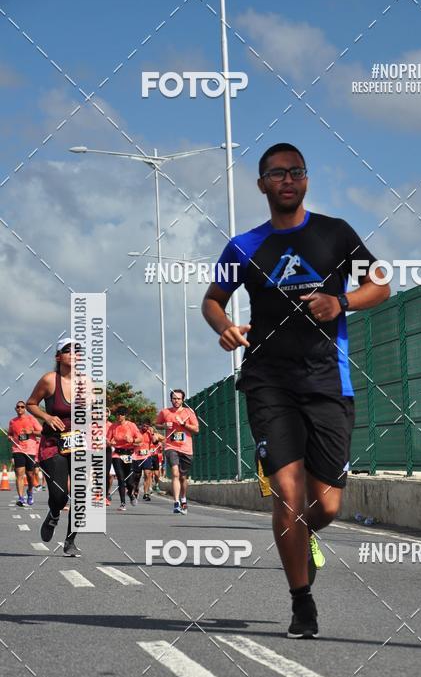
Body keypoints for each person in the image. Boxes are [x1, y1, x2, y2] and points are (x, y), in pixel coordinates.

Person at [202, 143, 389, 638]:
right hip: (268, 382)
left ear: (306, 180)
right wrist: (223, 326)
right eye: (277, 173)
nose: (288, 179)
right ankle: (301, 604)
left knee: (324, 506)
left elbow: (382, 285)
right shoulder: (242, 246)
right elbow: (213, 299)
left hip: (328, 379)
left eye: (297, 171)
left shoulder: (335, 233)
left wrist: (341, 301)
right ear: (262, 183)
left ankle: (303, 538)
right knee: (288, 494)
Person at [26, 338, 83, 556]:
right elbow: (31, 403)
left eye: (77, 350)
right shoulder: (50, 380)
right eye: (68, 350)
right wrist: (47, 417)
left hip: (79, 444)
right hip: (53, 444)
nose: (74, 353)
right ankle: (53, 513)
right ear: (58, 356)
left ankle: (70, 541)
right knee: (60, 496)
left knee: (80, 494)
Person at [156, 389, 199, 514]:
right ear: (171, 399)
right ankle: (176, 503)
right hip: (171, 446)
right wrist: (164, 426)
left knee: (183, 477)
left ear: (183, 400)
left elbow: (196, 429)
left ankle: (183, 498)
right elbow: (157, 424)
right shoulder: (165, 412)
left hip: (186, 448)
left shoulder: (188, 412)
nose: (176, 401)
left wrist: (184, 424)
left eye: (179, 398)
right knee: (175, 473)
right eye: (174, 398)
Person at [107, 408, 142, 512]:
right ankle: (123, 503)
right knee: (121, 479)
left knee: (130, 482)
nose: (119, 416)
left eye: (121, 414)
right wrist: (110, 443)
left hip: (129, 454)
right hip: (117, 454)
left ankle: (131, 494)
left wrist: (132, 440)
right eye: (117, 414)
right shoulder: (113, 426)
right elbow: (108, 440)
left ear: (125, 415)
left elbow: (140, 438)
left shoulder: (131, 425)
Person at [8, 401, 42, 506]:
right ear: (15, 409)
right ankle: (21, 498)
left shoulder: (31, 419)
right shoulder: (12, 422)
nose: (20, 408)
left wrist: (31, 432)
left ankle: (30, 491)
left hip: (30, 450)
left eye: (22, 407)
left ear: (25, 409)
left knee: (30, 475)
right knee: (19, 473)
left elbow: (41, 432)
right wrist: (9, 437)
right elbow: (10, 434)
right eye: (18, 407)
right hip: (18, 449)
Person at [132, 422, 162, 501]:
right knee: (137, 476)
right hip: (137, 457)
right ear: (141, 425)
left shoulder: (150, 433)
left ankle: (146, 493)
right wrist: (136, 444)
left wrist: (152, 433)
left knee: (147, 474)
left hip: (147, 457)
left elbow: (155, 442)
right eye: (144, 425)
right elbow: (130, 442)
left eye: (147, 426)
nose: (145, 427)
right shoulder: (137, 432)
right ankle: (136, 489)